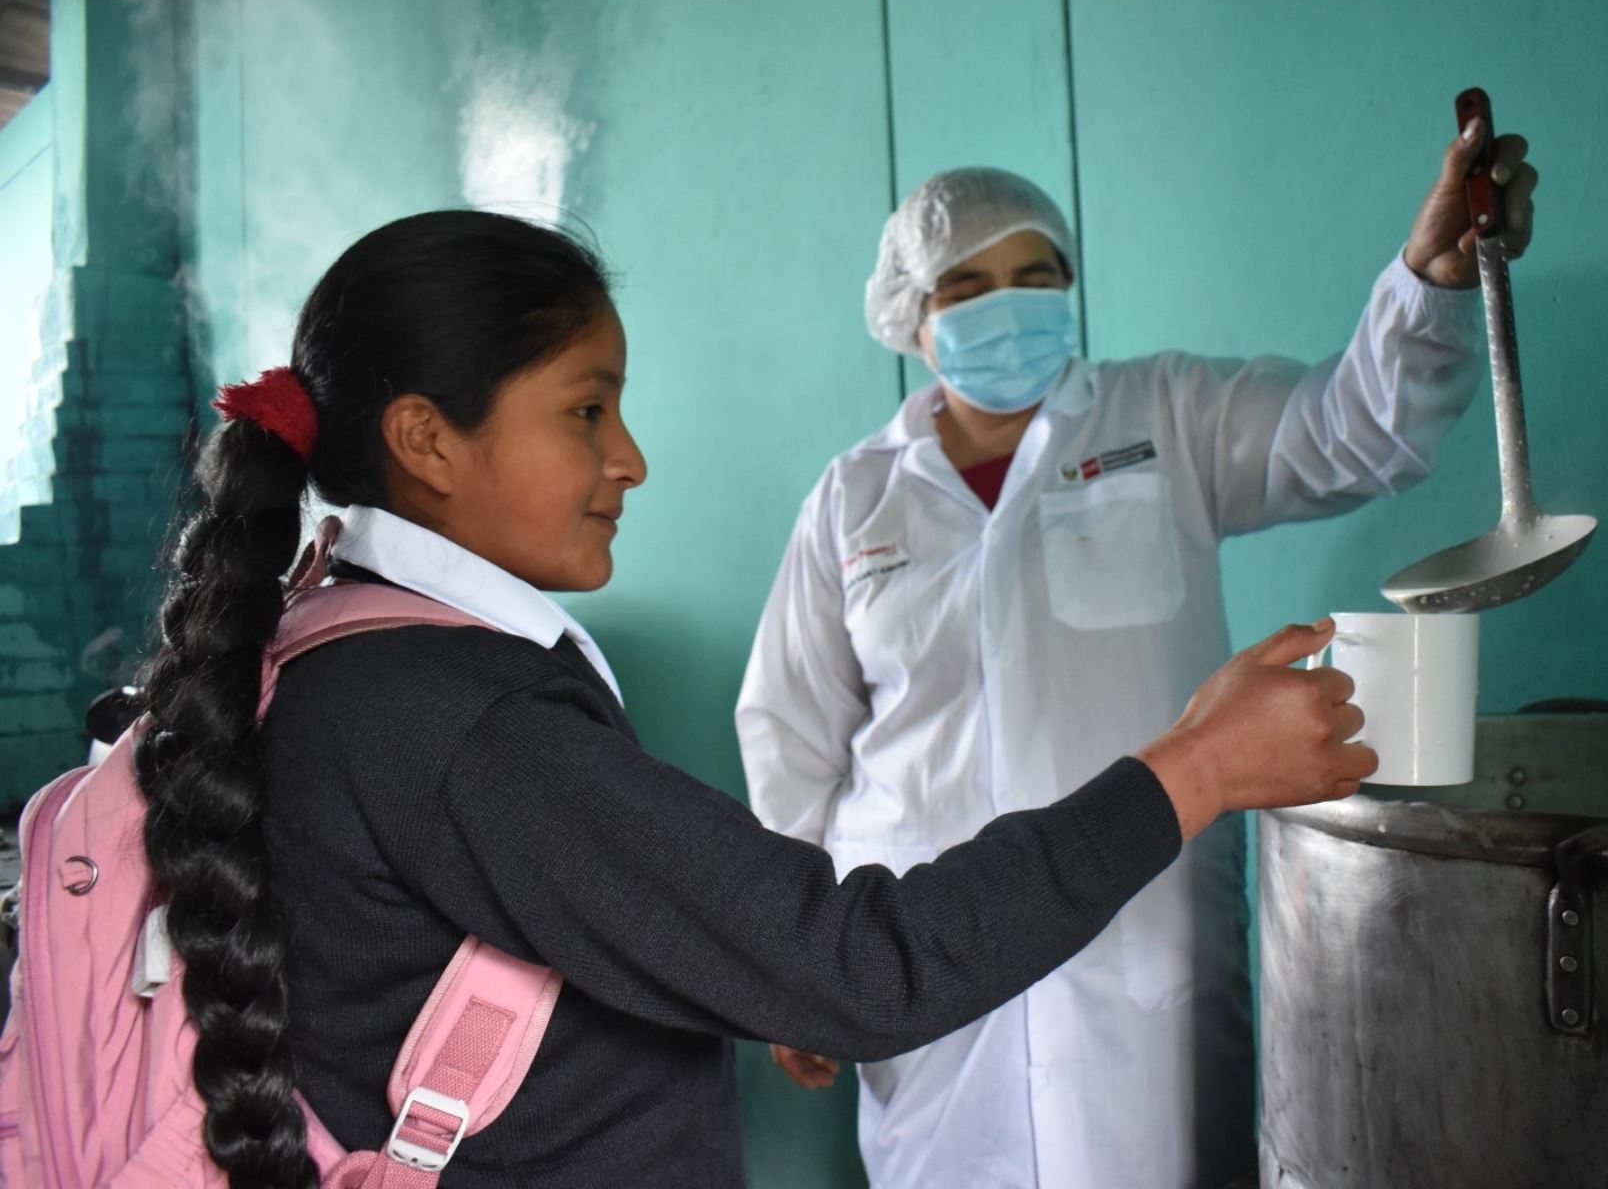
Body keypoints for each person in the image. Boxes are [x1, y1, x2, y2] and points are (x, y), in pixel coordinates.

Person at [128, 209, 1373, 1187]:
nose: (631, 458)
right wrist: (1199, 766)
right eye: (586, 410)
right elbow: (860, 964)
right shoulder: (466, 724)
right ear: (428, 439)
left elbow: (1352, 428)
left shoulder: (334, 655)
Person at [737, 120, 1538, 1187]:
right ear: (913, 319)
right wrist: (797, 960)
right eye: (967, 286)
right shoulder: (854, 497)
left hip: (1136, 935)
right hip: (924, 949)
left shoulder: (1166, 415)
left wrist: (1430, 280)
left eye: (1035, 274)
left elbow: (1357, 429)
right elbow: (790, 735)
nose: (1006, 304)